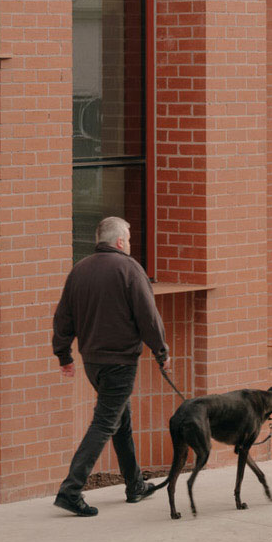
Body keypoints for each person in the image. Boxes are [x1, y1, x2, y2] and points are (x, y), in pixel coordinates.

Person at [52, 215, 168, 517]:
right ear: (119, 241)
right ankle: (70, 490)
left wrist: (63, 354)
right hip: (119, 361)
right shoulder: (129, 269)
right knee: (105, 422)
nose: (129, 243)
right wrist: (161, 351)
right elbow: (148, 315)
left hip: (92, 362)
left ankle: (134, 484)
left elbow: (63, 316)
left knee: (120, 419)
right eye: (127, 238)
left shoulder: (79, 270)